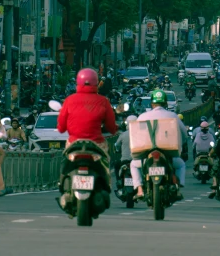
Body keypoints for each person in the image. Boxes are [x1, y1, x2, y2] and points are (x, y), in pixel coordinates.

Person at [57, 69, 118, 209]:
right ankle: (107, 184)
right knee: (105, 163)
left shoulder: (69, 100)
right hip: (96, 143)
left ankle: (62, 182)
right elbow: (111, 126)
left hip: (74, 142)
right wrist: (114, 129)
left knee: (65, 161)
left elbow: (61, 127)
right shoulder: (103, 101)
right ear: (97, 83)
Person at [131, 88, 188, 200]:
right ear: (165, 103)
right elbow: (184, 134)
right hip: (169, 153)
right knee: (181, 165)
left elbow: (136, 133)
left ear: (152, 103)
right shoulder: (173, 116)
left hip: (146, 153)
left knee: (133, 164)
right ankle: (178, 189)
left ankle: (140, 190)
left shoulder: (142, 116)